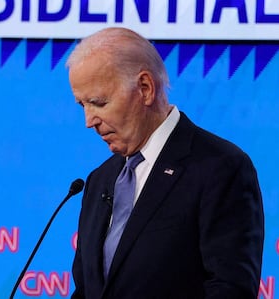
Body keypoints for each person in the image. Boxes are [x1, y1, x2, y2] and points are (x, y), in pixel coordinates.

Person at [66, 27, 264, 299]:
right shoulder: (100, 179)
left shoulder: (221, 168)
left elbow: (230, 290)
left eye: (99, 103)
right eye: (82, 105)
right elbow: (88, 291)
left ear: (145, 89)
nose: (89, 121)